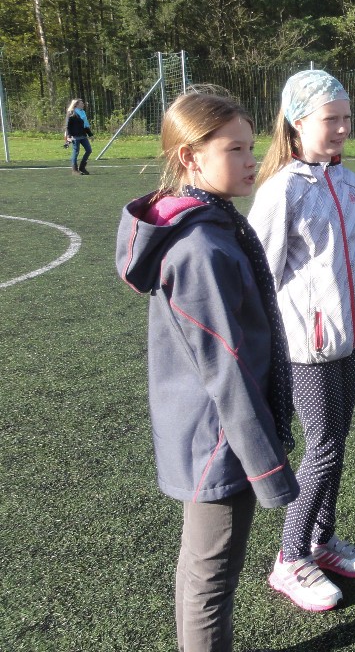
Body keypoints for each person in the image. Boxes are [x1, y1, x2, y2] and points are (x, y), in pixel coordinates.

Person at [115, 90, 299, 652]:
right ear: (190, 158)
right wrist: (266, 465)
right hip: (220, 438)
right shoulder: (200, 247)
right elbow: (226, 369)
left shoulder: (214, 225)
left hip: (212, 431)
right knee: (210, 580)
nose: (252, 160)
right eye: (234, 149)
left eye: (252, 146)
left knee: (202, 569)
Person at [248, 70, 355, 613]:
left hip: (352, 337)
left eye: (346, 117)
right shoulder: (282, 190)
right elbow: (261, 273)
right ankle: (289, 557)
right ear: (298, 123)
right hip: (308, 348)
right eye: (331, 119)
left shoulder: (349, 182)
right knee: (322, 448)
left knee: (336, 444)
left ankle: (322, 540)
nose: (342, 127)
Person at [65, 98, 94, 175]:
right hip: (75, 136)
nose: (83, 104)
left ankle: (82, 167)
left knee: (89, 150)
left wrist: (90, 134)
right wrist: (69, 136)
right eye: (81, 103)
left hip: (83, 135)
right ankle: (74, 169)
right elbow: (67, 126)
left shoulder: (83, 112)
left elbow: (85, 125)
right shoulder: (71, 112)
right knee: (76, 151)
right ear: (76, 105)